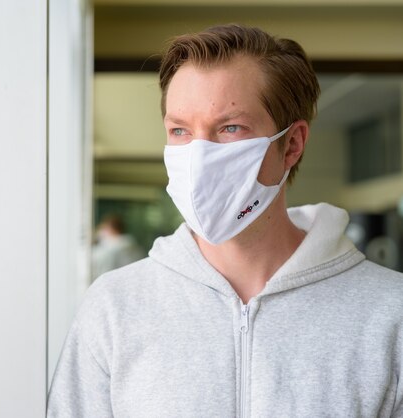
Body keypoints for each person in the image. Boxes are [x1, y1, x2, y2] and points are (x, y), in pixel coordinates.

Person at [47, 24, 403, 417]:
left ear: (292, 145)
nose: (199, 156)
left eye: (231, 127)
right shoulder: (115, 306)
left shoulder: (389, 314)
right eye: (180, 130)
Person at [91, 214, 144, 280]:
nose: (100, 232)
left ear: (110, 229)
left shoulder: (106, 251)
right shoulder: (136, 248)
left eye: (103, 228)